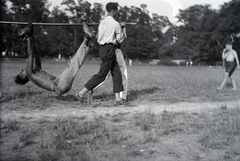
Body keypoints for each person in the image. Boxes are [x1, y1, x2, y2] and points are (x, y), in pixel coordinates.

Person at [14, 22, 94, 96]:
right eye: (21, 71)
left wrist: (32, 36)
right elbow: (30, 54)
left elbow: (36, 55)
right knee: (74, 63)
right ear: (23, 76)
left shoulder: (37, 71)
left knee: (75, 63)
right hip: (59, 85)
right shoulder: (29, 73)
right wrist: (28, 39)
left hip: (61, 84)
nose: (22, 69)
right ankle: (87, 37)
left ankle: (87, 38)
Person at [76, 2, 125, 105]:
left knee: (116, 72)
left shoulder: (102, 23)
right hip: (109, 49)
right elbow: (120, 39)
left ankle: (118, 99)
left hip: (103, 49)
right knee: (102, 75)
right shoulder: (115, 24)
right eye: (116, 9)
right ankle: (81, 93)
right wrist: (123, 28)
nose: (117, 11)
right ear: (113, 10)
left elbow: (98, 37)